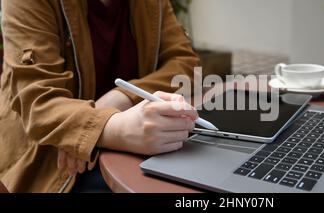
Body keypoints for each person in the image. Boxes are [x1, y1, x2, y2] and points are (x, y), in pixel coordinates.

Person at [0, 0, 200, 192]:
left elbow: (185, 62)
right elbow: (37, 102)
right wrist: (112, 128)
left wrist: (121, 97)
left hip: (133, 146)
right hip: (52, 164)